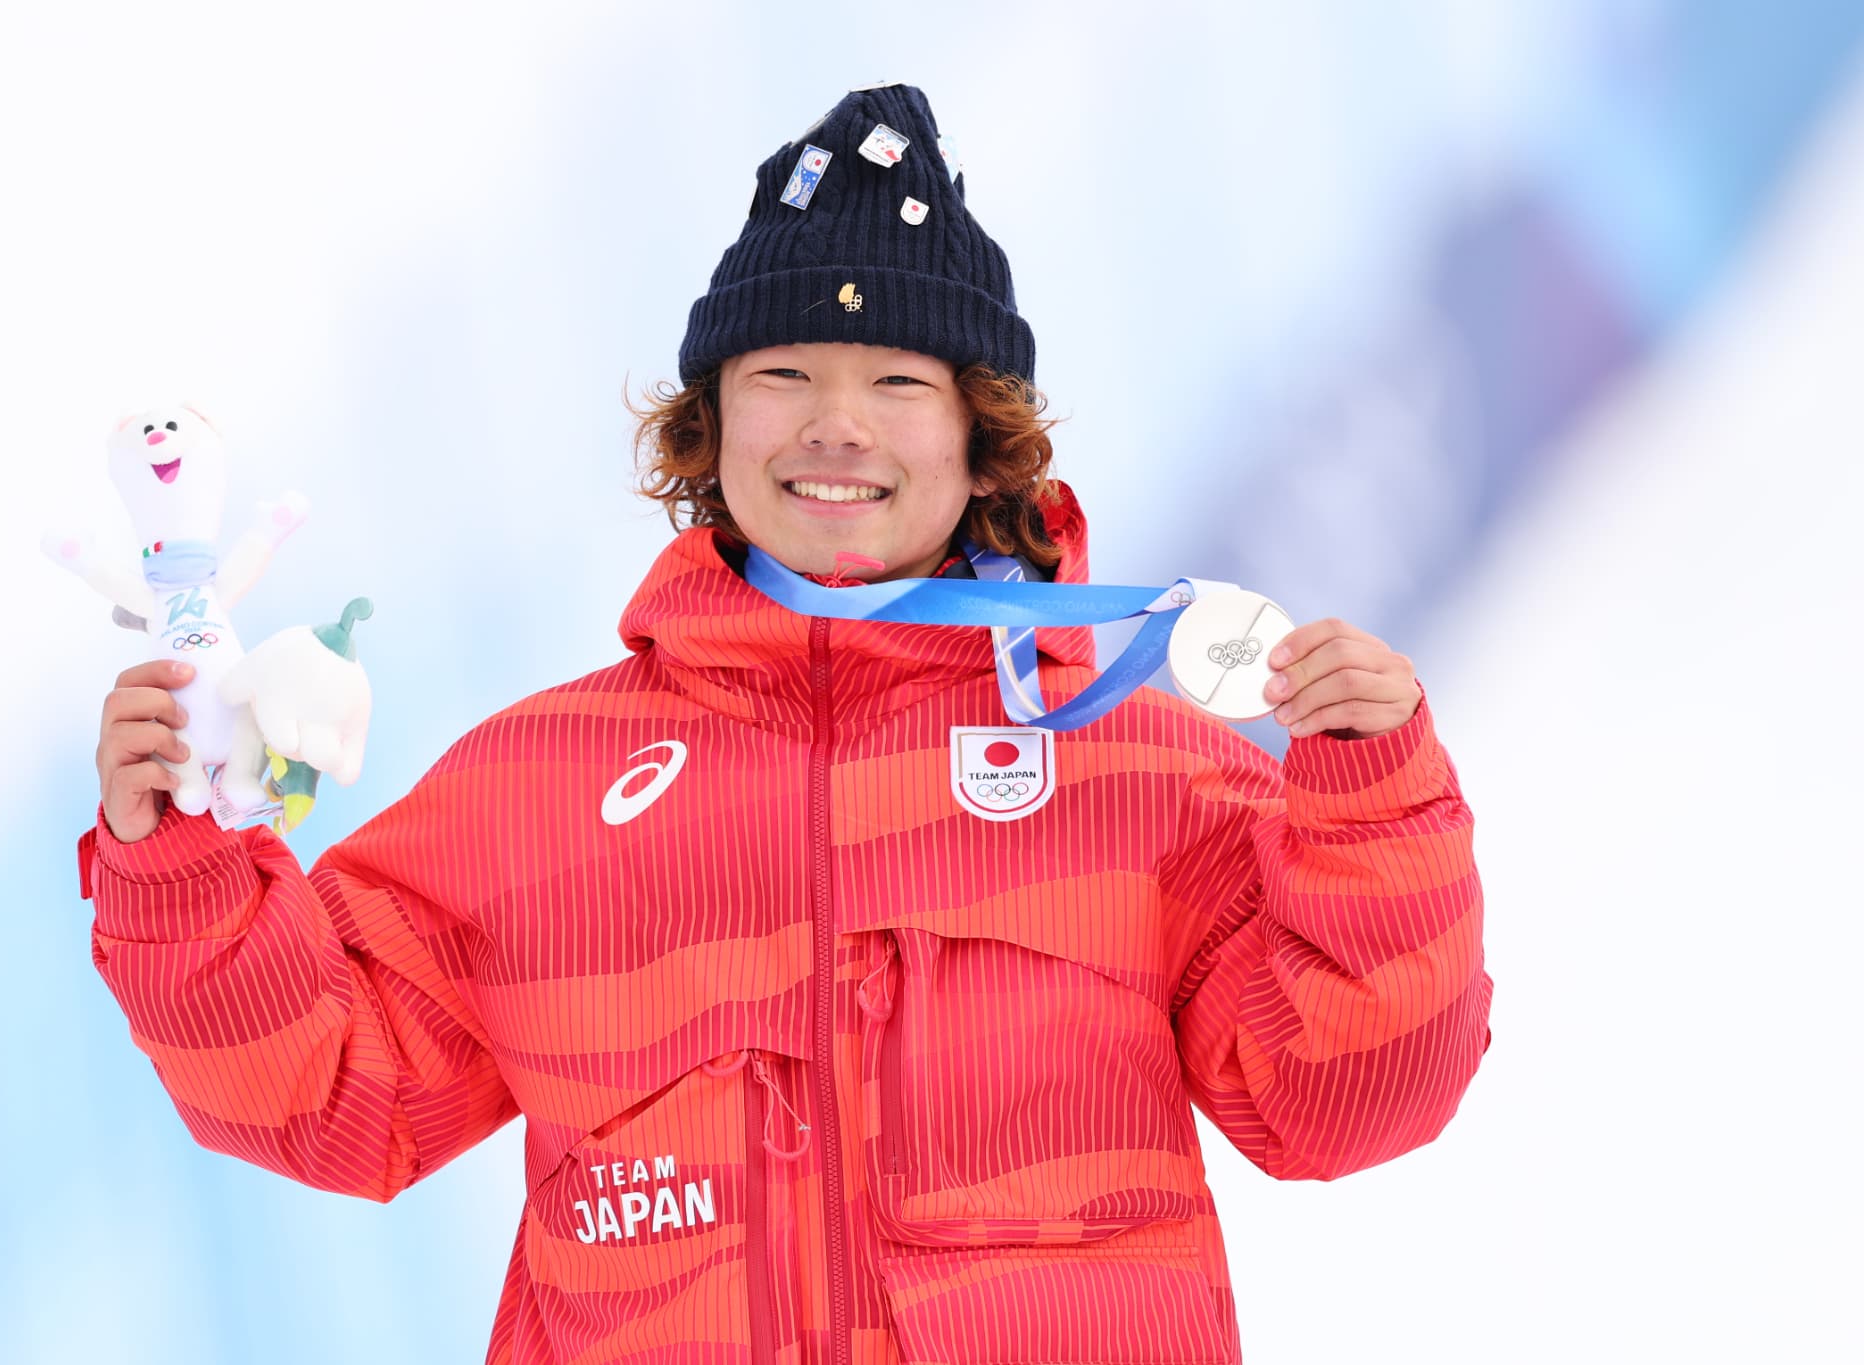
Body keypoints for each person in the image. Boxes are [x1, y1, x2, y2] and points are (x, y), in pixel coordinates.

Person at [80, 84, 1491, 1365]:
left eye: (896, 383)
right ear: (706, 424)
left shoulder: (1140, 773)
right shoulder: (534, 788)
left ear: (981, 436)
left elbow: (1349, 1096)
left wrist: (1376, 809)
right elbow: (332, 1085)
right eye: (782, 377)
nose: (837, 427)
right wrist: (179, 867)